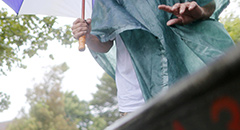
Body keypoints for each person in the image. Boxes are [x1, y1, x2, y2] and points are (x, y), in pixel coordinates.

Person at [72, 0, 234, 115]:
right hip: (136, 101)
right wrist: (88, 36)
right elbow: (103, 44)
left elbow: (208, 5)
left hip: (189, 83)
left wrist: (199, 11)